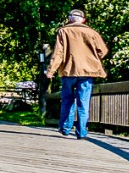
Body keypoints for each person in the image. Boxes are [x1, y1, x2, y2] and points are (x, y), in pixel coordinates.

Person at [45, 9, 109, 139]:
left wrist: (51, 70)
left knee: (67, 101)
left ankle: (66, 128)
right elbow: (103, 50)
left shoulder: (63, 31)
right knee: (83, 102)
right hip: (87, 72)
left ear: (69, 19)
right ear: (84, 20)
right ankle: (81, 132)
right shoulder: (92, 33)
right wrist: (91, 58)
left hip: (69, 71)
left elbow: (59, 53)